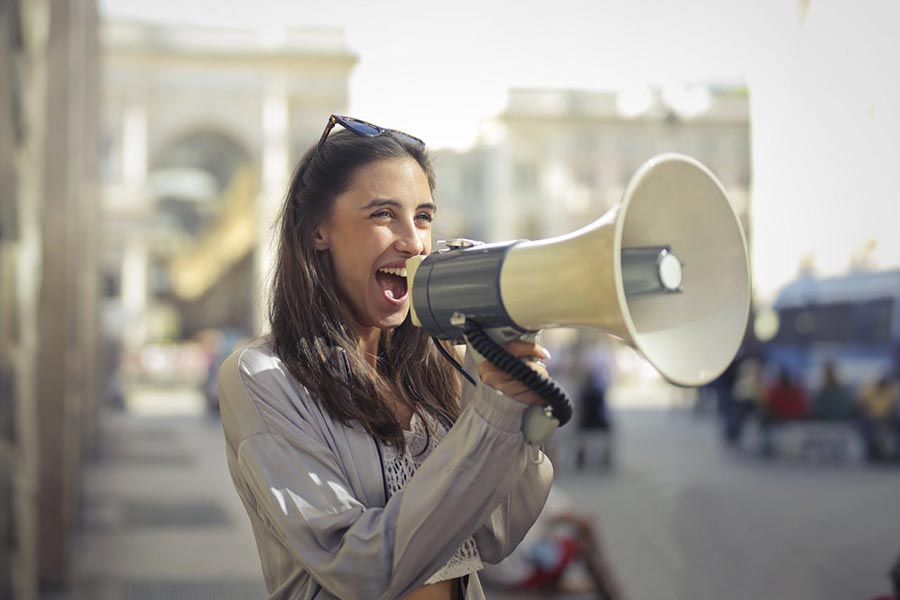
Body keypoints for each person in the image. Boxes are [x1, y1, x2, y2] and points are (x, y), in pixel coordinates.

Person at [217, 115, 554, 600]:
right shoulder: (263, 377)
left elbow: (495, 534)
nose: (414, 242)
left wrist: (510, 408)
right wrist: (488, 420)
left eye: (423, 217)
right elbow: (359, 569)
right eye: (382, 215)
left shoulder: (440, 365)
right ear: (317, 232)